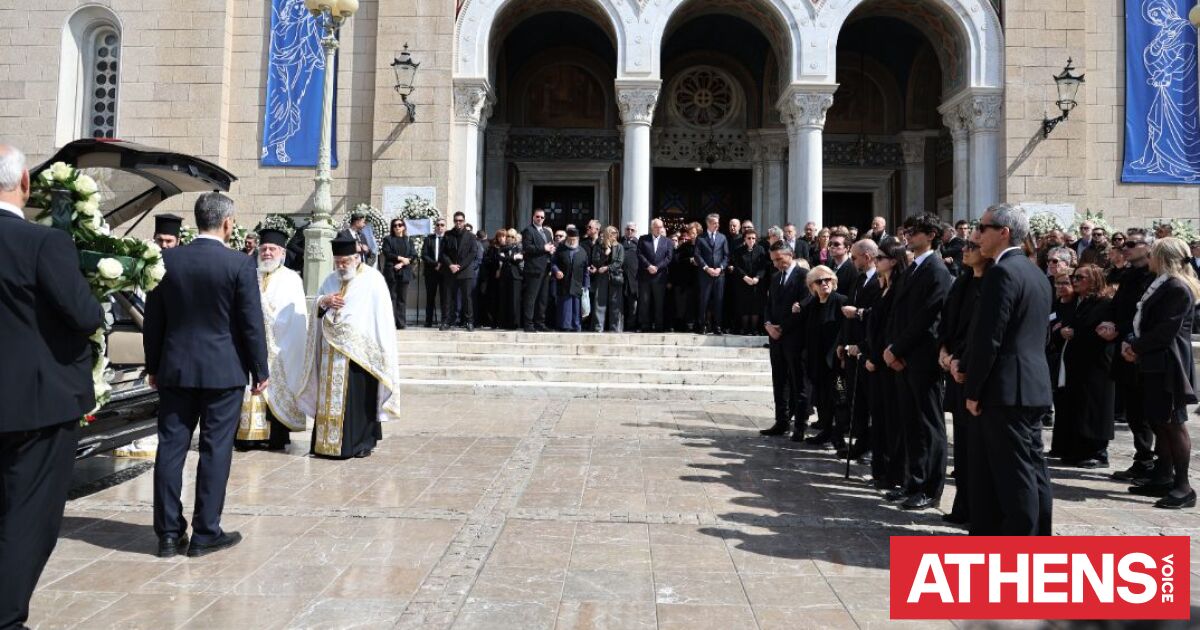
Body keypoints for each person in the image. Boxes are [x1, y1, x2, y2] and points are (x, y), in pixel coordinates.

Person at [0, 145, 104, 628]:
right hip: (35, 407)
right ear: (25, 183)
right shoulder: (43, 244)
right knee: (27, 517)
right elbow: (84, 315)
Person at [144, 192, 269, 558]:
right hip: (223, 371)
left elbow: (154, 321)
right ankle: (205, 533)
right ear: (228, 223)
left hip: (176, 368)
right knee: (215, 451)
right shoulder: (238, 264)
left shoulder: (167, 259)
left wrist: (154, 365)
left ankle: (167, 534)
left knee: (170, 449)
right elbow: (250, 323)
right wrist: (259, 368)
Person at [961, 203, 1054, 536]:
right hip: (1030, 385)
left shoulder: (1002, 272)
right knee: (1033, 469)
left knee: (1015, 475)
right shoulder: (1034, 272)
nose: (976, 234)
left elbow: (991, 338)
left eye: (982, 228)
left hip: (1006, 389)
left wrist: (973, 391)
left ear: (1004, 233)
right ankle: (1039, 538)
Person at [299, 236, 400, 459]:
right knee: (329, 400)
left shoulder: (373, 280)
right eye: (337, 262)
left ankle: (359, 443)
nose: (341, 267)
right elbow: (318, 306)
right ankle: (325, 444)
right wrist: (324, 301)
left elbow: (379, 319)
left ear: (356, 258)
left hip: (359, 355)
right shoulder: (329, 279)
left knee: (358, 400)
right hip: (330, 353)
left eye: (345, 261)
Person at [1121, 237, 1199, 508]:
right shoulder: (1162, 284)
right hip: (1154, 360)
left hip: (1170, 363)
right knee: (1158, 420)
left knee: (1173, 422)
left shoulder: (1178, 288)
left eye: (1153, 253)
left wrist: (1136, 347)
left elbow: (1166, 330)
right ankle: (1163, 476)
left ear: (1164, 258)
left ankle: (1183, 486)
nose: (1149, 257)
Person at [883, 213, 953, 511]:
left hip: (922, 358)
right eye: (907, 230)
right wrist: (892, 349)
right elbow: (899, 313)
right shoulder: (914, 267)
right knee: (910, 423)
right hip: (904, 357)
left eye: (915, 231)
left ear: (931, 235)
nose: (908, 235)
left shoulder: (936, 270)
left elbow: (928, 318)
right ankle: (912, 482)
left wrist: (898, 349)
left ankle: (930, 488)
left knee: (929, 426)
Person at [234, 229, 308, 452]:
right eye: (264, 248)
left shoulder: (291, 279)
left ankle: (275, 435)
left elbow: (294, 317)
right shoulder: (250, 274)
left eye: (272, 249)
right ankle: (248, 437)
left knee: (274, 386)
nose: (267, 253)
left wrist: (266, 322)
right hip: (251, 345)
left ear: (282, 253)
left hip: (280, 346)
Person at [937, 239, 988, 525]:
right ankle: (964, 506)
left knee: (978, 446)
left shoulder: (991, 283)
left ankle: (978, 509)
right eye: (965, 247)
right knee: (964, 447)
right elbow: (947, 321)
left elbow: (983, 332)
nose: (966, 251)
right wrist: (944, 350)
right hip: (954, 368)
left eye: (973, 247)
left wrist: (961, 359)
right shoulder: (962, 282)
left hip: (971, 370)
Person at [1101, 234, 1159, 484]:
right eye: (1125, 245)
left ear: (1149, 248)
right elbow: (1119, 306)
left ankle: (1159, 464)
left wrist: (1127, 334)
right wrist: (1110, 324)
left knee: (1150, 412)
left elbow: (1147, 315)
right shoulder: (1128, 276)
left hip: (1142, 350)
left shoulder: (1155, 278)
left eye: (1132, 245)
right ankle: (1143, 458)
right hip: (1124, 346)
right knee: (1133, 409)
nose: (1126, 248)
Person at [1055, 264, 1115, 468]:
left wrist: (1075, 333)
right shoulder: (1080, 302)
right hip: (1078, 363)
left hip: (1096, 364)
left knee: (1095, 406)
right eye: (1074, 277)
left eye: (1080, 277)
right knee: (1080, 406)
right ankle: (1079, 449)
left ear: (1094, 280)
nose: (1075, 281)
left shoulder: (1104, 303)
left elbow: (1096, 329)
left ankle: (1098, 451)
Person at [863, 241, 907, 491]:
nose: (876, 261)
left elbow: (891, 329)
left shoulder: (898, 288)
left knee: (892, 421)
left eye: (880, 257)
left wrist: (877, 357)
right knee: (878, 418)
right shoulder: (882, 287)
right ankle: (880, 470)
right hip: (872, 361)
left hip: (886, 363)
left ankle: (894, 474)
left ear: (893, 260)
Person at [835, 239, 882, 462]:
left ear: (867, 256)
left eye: (854, 257)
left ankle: (872, 445)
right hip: (852, 348)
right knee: (856, 401)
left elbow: (880, 314)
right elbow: (848, 316)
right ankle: (860, 443)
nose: (852, 261)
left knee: (871, 402)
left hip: (869, 348)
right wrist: (842, 344)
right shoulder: (858, 279)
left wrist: (860, 312)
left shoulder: (880, 281)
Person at [760, 241, 809, 438]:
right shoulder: (775, 277)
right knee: (779, 380)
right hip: (775, 337)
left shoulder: (804, 276)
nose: (777, 264)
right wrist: (767, 324)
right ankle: (781, 421)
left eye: (780, 259)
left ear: (791, 255)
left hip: (795, 338)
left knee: (798, 382)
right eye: (774, 260)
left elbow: (804, 307)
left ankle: (800, 424)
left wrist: (783, 328)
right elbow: (769, 303)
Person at [800, 266, 848, 448]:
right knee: (821, 399)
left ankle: (839, 435)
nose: (824, 283)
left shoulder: (841, 301)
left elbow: (846, 331)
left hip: (835, 363)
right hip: (816, 362)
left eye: (828, 279)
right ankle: (826, 431)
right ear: (813, 286)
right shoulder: (811, 305)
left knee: (840, 399)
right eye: (819, 281)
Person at [1046, 268, 1076, 459]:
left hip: (1070, 362)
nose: (1061, 287)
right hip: (1053, 359)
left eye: (1065, 283)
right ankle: (1059, 446)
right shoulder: (1054, 305)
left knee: (1069, 405)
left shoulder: (1076, 307)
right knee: (1059, 403)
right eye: (1058, 283)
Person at [440, 211, 480, 331]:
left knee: (467, 298)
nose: (458, 223)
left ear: (464, 221)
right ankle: (446, 321)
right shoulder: (447, 235)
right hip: (450, 271)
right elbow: (443, 253)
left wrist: (459, 266)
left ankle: (469, 322)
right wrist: (451, 265)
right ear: (454, 221)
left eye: (460, 221)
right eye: (456, 220)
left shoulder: (471, 236)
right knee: (447, 297)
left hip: (465, 271)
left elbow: (472, 253)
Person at [694, 213, 730, 335]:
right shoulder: (700, 238)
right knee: (704, 300)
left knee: (718, 300)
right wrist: (706, 268)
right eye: (714, 223)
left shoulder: (723, 237)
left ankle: (717, 326)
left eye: (718, 222)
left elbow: (726, 256)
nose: (717, 225)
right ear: (708, 223)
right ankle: (702, 325)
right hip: (705, 274)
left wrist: (720, 268)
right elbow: (697, 255)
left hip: (719, 275)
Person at [520, 208, 555, 332]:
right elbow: (527, 248)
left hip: (546, 268)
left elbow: (549, 245)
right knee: (531, 297)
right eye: (537, 217)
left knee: (543, 298)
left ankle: (540, 322)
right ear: (533, 217)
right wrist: (543, 248)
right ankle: (528, 324)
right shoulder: (528, 230)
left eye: (542, 217)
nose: (540, 219)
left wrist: (551, 249)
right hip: (534, 269)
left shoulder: (546, 232)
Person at [638, 218, 673, 332]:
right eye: (657, 227)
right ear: (652, 228)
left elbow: (668, 258)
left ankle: (659, 325)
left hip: (660, 277)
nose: (659, 229)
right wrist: (648, 266)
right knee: (645, 302)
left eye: (661, 227)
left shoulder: (667, 241)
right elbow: (639, 254)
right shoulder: (643, 239)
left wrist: (657, 267)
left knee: (659, 303)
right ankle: (645, 325)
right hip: (645, 276)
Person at [551, 227, 589, 331]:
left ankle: (576, 326)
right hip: (563, 283)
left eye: (574, 240)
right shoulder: (561, 249)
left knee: (576, 307)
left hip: (577, 283)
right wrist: (557, 271)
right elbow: (553, 263)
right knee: (565, 306)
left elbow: (586, 270)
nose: (572, 242)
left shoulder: (582, 251)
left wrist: (586, 285)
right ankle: (565, 326)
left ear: (577, 239)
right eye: (570, 239)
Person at [730, 229, 767, 335]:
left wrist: (757, 277)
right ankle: (745, 328)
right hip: (743, 282)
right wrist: (744, 277)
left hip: (756, 283)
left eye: (753, 238)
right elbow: (737, 266)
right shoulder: (738, 251)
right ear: (744, 239)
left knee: (755, 306)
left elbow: (763, 266)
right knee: (744, 306)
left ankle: (754, 329)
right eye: (749, 238)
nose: (751, 240)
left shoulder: (760, 250)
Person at [381, 218, 415, 329]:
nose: (397, 227)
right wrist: (400, 258)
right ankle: (391, 322)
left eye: (400, 225)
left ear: (404, 227)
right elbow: (387, 252)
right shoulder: (388, 239)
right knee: (392, 298)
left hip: (404, 272)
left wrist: (402, 264)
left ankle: (401, 323)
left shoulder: (408, 240)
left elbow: (413, 255)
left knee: (402, 299)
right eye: (395, 225)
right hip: (392, 272)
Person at [590, 226, 625, 332]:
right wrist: (605, 255)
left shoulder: (619, 247)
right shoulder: (599, 246)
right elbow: (595, 261)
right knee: (600, 301)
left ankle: (615, 328)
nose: (614, 234)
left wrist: (607, 267)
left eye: (616, 232)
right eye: (612, 232)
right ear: (606, 233)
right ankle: (598, 327)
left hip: (615, 276)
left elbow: (619, 262)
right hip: (602, 277)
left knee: (616, 303)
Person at [421, 217, 447, 328]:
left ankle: (444, 321)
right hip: (431, 272)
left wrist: (441, 264)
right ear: (435, 226)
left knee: (444, 297)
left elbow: (450, 254)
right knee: (430, 297)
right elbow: (424, 254)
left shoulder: (448, 238)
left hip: (444, 272)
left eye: (442, 225)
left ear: (445, 227)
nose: (440, 227)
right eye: (438, 225)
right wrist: (435, 264)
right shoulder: (429, 239)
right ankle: (428, 321)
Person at [495, 228, 524, 329]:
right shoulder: (501, 248)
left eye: (512, 237)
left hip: (516, 276)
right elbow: (500, 257)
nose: (510, 238)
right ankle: (503, 323)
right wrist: (512, 258)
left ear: (515, 238)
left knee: (515, 300)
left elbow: (519, 259)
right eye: (508, 236)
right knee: (504, 299)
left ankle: (515, 323)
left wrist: (509, 258)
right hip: (504, 276)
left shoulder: (519, 248)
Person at [827, 231, 858, 297]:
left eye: (836, 244)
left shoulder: (853, 269)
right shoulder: (829, 264)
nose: (832, 246)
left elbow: (850, 296)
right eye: (830, 244)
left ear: (847, 248)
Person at [622, 223, 640, 330]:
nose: (629, 231)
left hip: (634, 279)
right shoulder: (619, 242)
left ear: (635, 231)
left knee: (633, 304)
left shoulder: (639, 244)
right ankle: (621, 325)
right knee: (621, 303)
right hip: (621, 277)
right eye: (628, 229)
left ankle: (631, 325)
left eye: (632, 230)